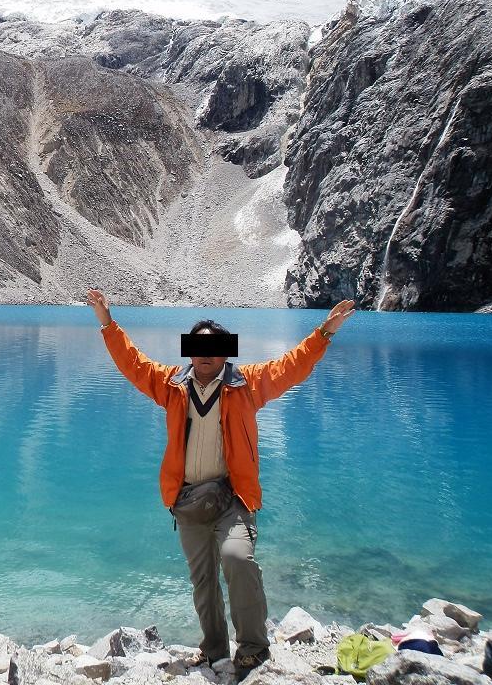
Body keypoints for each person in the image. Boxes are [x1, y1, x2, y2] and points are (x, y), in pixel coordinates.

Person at [86, 288, 355, 681]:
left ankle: (253, 649)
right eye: (198, 348)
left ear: (226, 353)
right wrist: (107, 324)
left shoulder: (248, 384)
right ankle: (213, 652)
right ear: (189, 352)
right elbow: (134, 364)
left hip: (233, 499)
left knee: (237, 559)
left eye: (213, 348)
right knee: (203, 580)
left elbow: (291, 366)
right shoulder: (171, 385)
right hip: (188, 500)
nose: (205, 355)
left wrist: (325, 333)